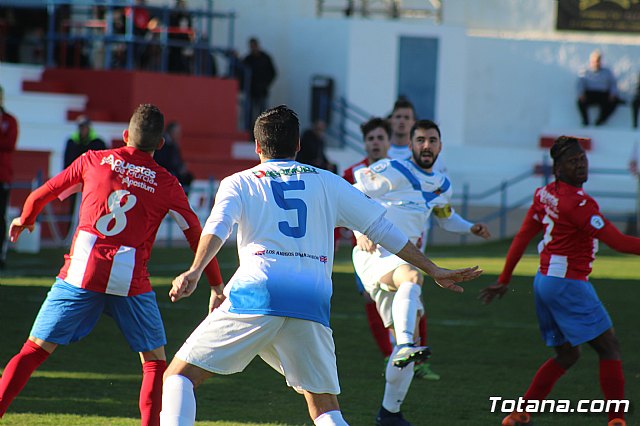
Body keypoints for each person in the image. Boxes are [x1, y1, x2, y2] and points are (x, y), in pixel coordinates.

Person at [159, 105, 483, 426]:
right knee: (325, 407)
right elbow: (383, 229)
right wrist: (433, 269)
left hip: (257, 292)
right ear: (298, 145)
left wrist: (196, 270)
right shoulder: (328, 182)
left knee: (179, 377)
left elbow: (217, 227)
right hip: (310, 301)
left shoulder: (239, 182)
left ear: (258, 147)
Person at [0, 104, 224, 426]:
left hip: (80, 274)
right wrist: (215, 284)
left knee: (32, 351)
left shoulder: (94, 159)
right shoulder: (167, 184)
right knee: (154, 364)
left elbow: (44, 192)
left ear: (124, 135)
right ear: (160, 144)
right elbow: (197, 237)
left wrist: (26, 218)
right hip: (129, 281)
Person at [479, 136, 639, 426]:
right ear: (558, 168)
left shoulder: (544, 194)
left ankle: (520, 413)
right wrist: (504, 277)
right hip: (567, 283)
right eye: (572, 162)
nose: (579, 165)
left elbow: (524, 235)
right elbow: (619, 242)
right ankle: (617, 420)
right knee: (609, 347)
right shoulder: (578, 204)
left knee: (567, 354)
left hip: (544, 283)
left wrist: (505, 278)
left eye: (582, 159)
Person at [352, 119, 490, 426]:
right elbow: (351, 192)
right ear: (410, 144)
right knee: (414, 279)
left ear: (440, 146)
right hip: (376, 253)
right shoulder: (394, 169)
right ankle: (401, 347)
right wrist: (356, 228)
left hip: (406, 256)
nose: (426, 145)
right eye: (420, 140)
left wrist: (470, 227)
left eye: (432, 140)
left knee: (412, 338)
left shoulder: (442, 183)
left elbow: (444, 216)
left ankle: (389, 413)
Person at [341, 117, 394, 363]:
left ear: (389, 142)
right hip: (365, 250)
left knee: (408, 291)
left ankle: (411, 351)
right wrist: (359, 232)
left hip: (396, 245)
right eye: (370, 138)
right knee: (370, 297)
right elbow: (344, 207)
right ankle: (388, 353)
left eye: (380, 138)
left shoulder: (399, 171)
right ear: (364, 143)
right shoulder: (352, 172)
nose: (375, 143)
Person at [240, 37, 277, 132]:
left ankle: (261, 133)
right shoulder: (248, 59)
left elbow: (273, 73)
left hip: (262, 92)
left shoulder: (265, 58)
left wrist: (265, 84)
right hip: (251, 92)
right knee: (249, 115)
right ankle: (250, 133)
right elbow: (241, 73)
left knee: (262, 116)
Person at [0, 84, 19, 269]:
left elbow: (9, 143)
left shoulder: (9, 120)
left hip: (2, 176)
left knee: (1, 216)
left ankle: (1, 255)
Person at [577, 50, 620, 127]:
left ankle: (600, 121)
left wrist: (613, 94)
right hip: (590, 94)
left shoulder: (607, 72)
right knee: (580, 102)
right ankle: (585, 122)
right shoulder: (585, 71)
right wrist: (581, 94)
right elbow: (580, 84)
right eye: (595, 61)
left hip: (603, 94)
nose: (596, 63)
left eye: (598, 61)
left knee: (614, 102)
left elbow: (613, 84)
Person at [154, 121, 194, 194]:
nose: (179, 135)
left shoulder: (174, 145)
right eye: (177, 133)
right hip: (166, 172)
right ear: (171, 132)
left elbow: (178, 160)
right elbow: (163, 161)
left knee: (188, 177)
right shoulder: (163, 145)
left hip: (175, 171)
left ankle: (182, 199)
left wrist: (182, 167)